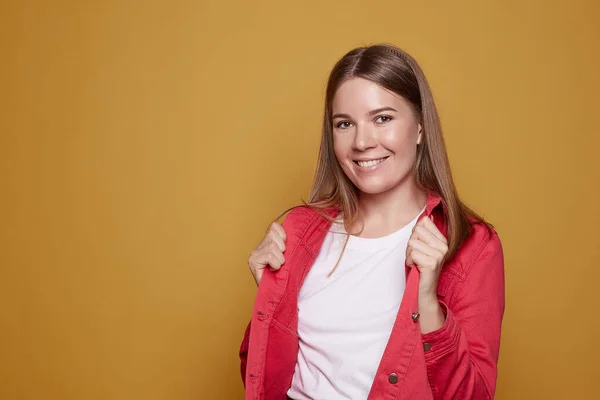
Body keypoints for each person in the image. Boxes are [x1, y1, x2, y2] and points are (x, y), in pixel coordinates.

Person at [239, 44, 505, 400]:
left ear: (421, 127)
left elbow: (472, 396)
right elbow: (258, 377)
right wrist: (270, 299)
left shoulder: (472, 246)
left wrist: (428, 304)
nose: (362, 142)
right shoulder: (299, 232)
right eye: (345, 124)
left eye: (382, 118)